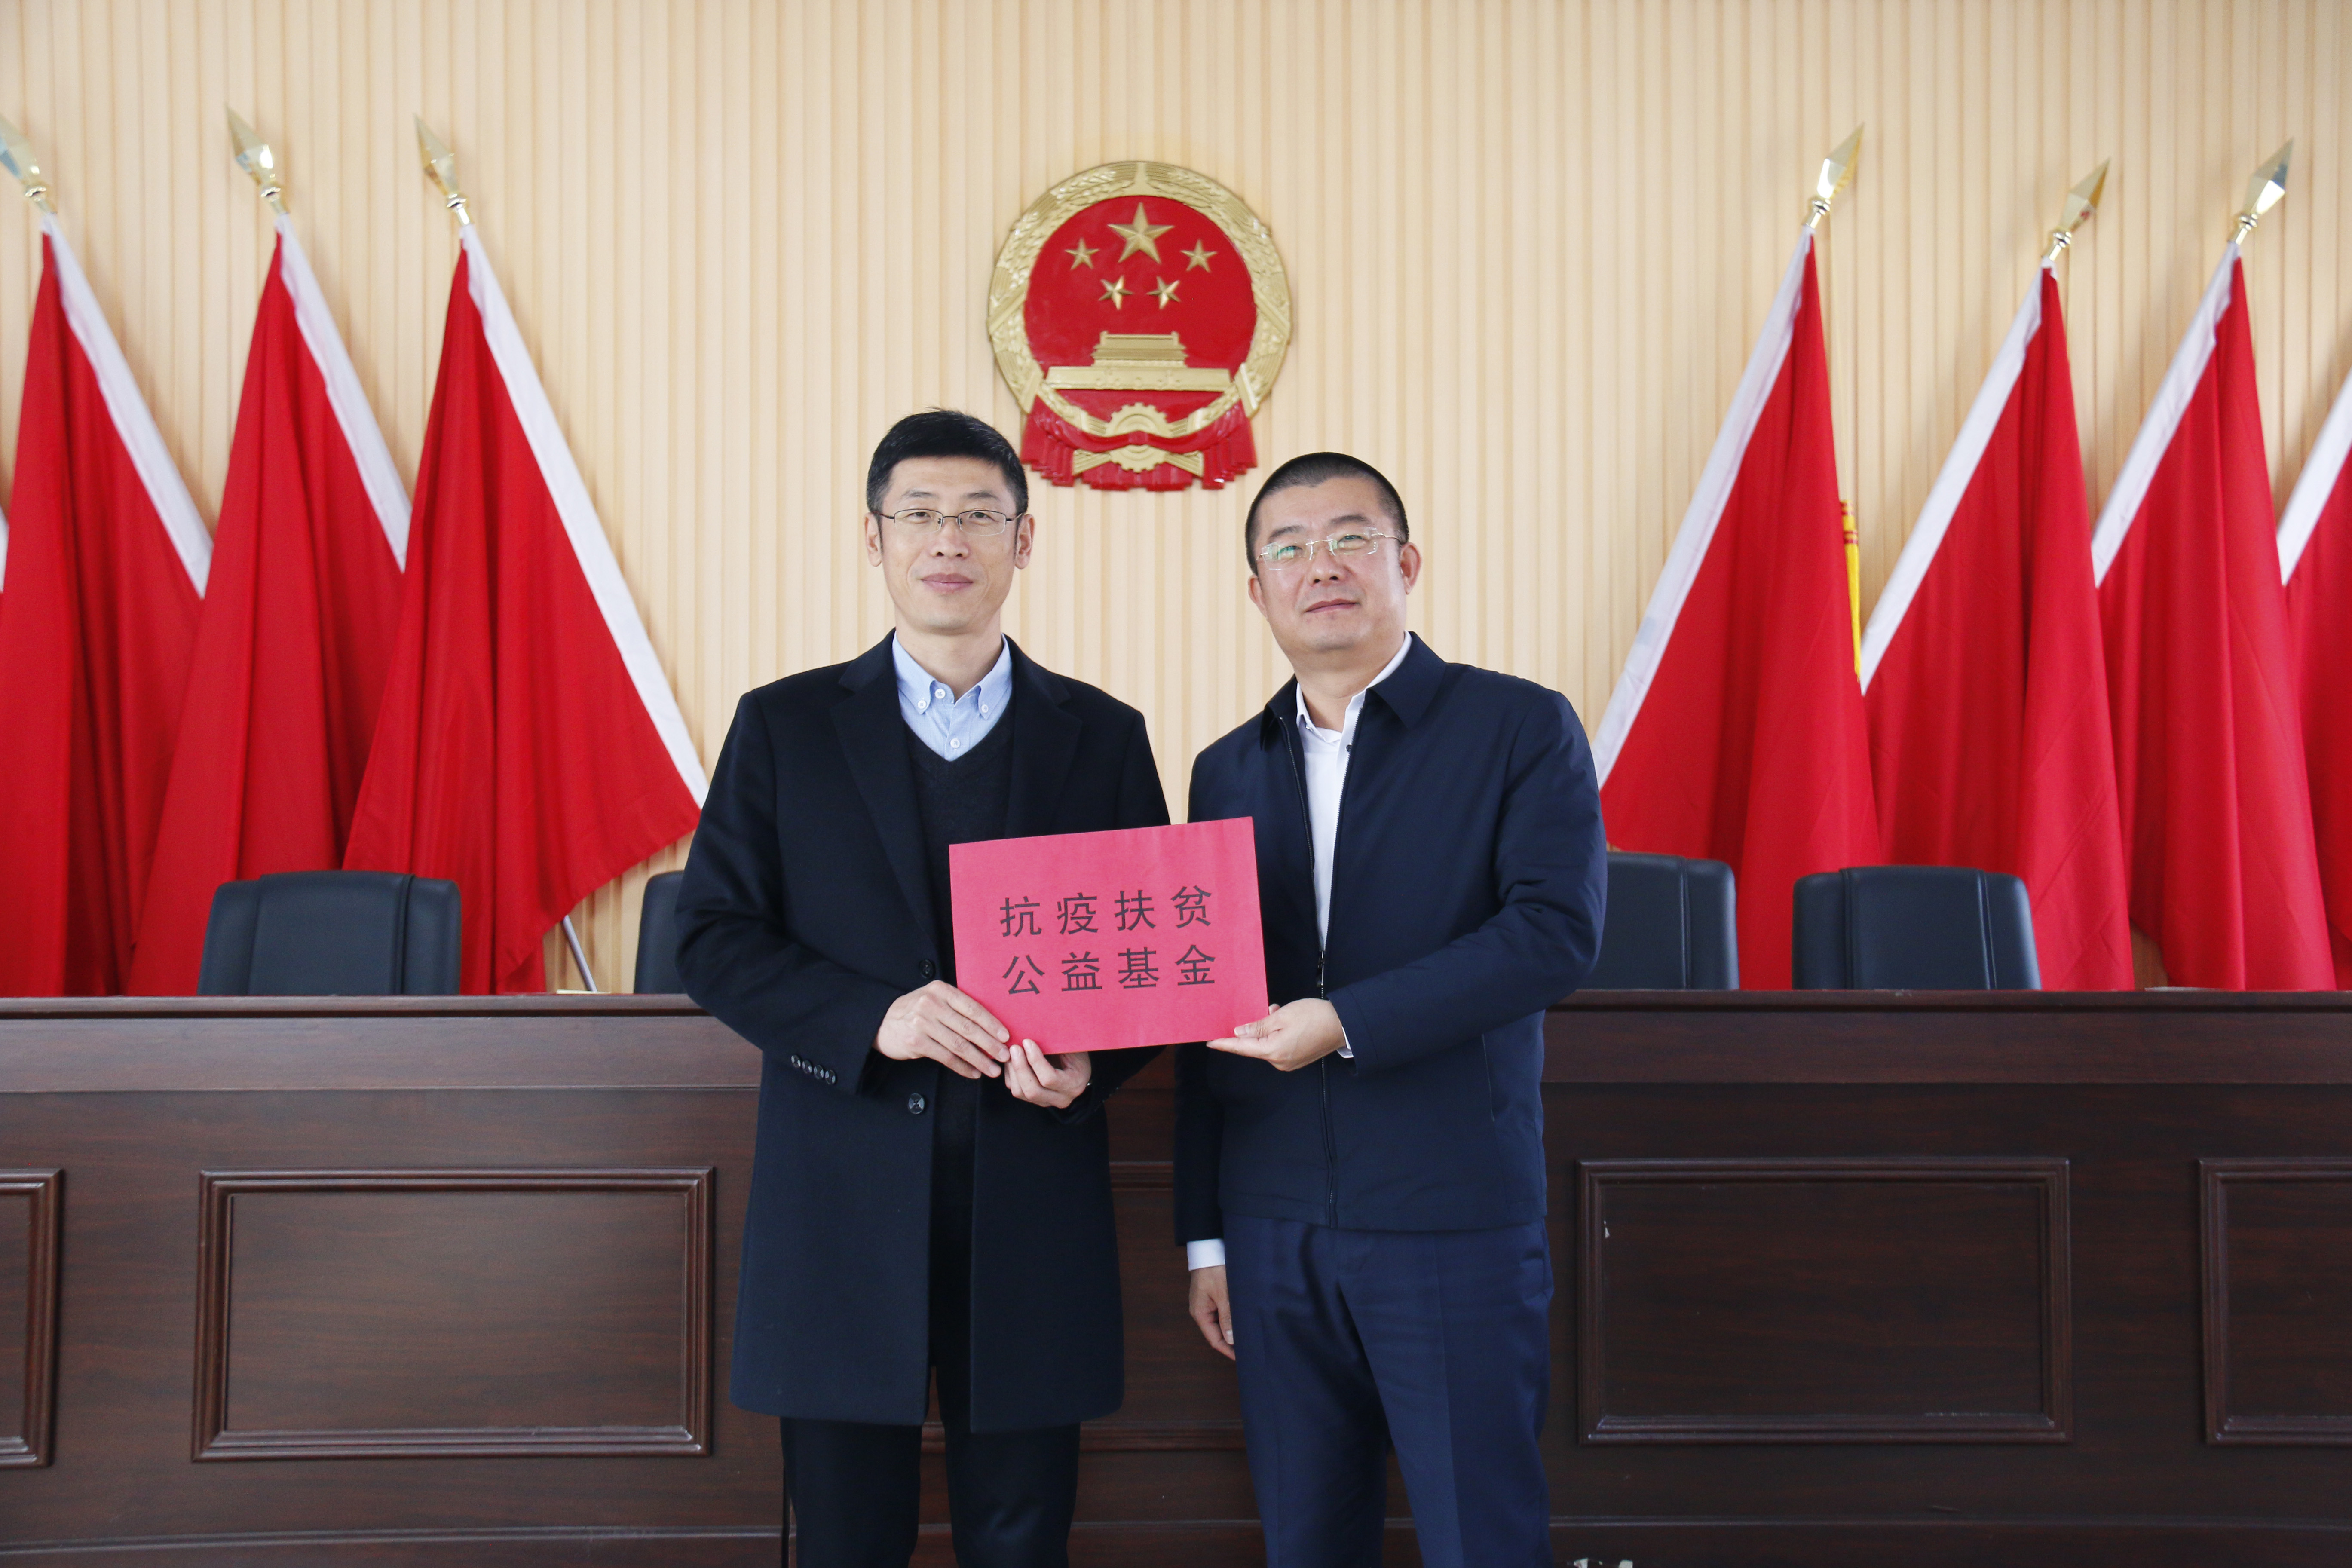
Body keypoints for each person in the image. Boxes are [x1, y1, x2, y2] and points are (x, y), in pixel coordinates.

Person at [676, 410, 1169, 1568]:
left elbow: (1149, 958)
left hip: (1030, 1203)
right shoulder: (785, 726)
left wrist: (1095, 1066)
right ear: (875, 538)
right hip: (842, 1204)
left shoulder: (1102, 736)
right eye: (921, 514)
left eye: (979, 515)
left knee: (1022, 1539)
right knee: (849, 1540)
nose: (949, 540)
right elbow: (712, 936)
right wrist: (873, 1019)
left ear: (1024, 541)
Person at [1175, 452, 1606, 1568]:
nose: (1320, 566)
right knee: (1306, 1540)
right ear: (1257, 590)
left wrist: (1346, 1021)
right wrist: (1208, 1235)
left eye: (1350, 539)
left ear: (1407, 564)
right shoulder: (1226, 770)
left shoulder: (1519, 727)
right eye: (1288, 548)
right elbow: (1206, 1009)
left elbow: (1553, 932)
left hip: (1449, 1214)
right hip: (1272, 1227)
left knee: (1480, 1536)